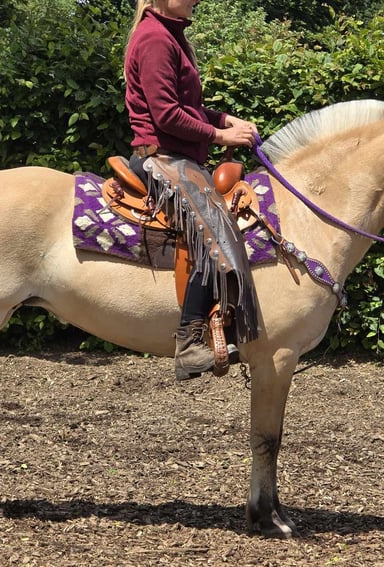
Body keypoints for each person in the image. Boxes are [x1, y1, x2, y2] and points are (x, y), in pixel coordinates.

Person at [124, 0, 259, 380]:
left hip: (180, 158)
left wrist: (224, 119)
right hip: (161, 159)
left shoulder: (171, 36)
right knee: (212, 229)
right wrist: (220, 135)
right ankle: (190, 342)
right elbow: (166, 115)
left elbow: (188, 107)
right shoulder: (154, 39)